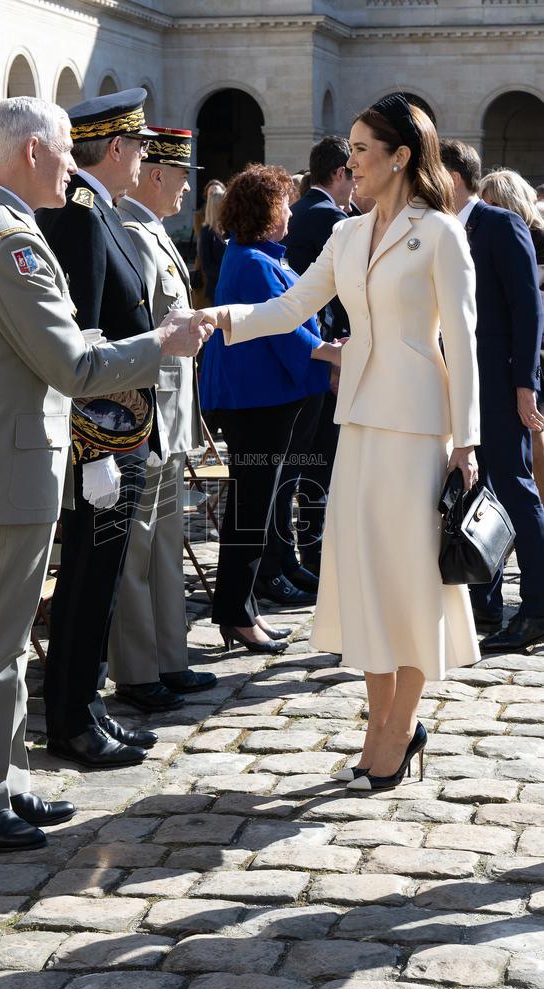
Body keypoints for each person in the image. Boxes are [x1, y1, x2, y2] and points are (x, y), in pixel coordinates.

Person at [0, 96, 205, 851]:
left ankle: (5, 780)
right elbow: (71, 367)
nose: (74, 165)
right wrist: (162, 343)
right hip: (7, 464)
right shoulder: (10, 241)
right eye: (67, 151)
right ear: (33, 152)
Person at [194, 95, 481, 791]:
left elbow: (465, 341)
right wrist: (215, 318)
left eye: (360, 150)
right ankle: (381, 721)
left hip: (419, 428)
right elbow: (292, 307)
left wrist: (466, 443)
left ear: (400, 156)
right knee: (368, 580)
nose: (349, 163)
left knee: (411, 581)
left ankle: (397, 724)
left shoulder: (439, 233)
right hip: (358, 423)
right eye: (349, 151)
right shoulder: (348, 236)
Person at [36, 89, 172, 766]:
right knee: (91, 578)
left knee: (104, 577)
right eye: (141, 146)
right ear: (115, 148)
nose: (145, 157)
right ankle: (72, 718)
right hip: (107, 438)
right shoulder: (83, 218)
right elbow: (84, 338)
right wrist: (97, 452)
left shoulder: (102, 213)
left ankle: (87, 705)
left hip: (124, 430)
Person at [198, 164, 330, 655]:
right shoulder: (252, 260)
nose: (291, 212)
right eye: (284, 204)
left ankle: (241, 609)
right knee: (251, 508)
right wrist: (326, 354)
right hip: (258, 399)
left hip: (265, 396)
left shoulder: (259, 255)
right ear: (265, 211)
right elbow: (282, 328)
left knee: (254, 504)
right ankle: (237, 611)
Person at [110, 127, 215, 711]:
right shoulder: (131, 231)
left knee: (166, 544)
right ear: (155, 175)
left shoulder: (153, 230)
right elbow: (139, 335)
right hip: (145, 416)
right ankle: (138, 669)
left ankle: (171, 659)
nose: (186, 188)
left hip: (172, 418)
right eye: (180, 176)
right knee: (137, 550)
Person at [440, 142, 544, 653]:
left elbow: (529, 310)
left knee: (514, 487)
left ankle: (538, 606)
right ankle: (484, 597)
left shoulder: (501, 225)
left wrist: (526, 385)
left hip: (501, 386)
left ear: (455, 178)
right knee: (474, 489)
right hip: (457, 382)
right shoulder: (441, 229)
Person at [255, 136, 354, 603]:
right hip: (313, 359)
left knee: (301, 467)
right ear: (340, 174)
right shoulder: (334, 221)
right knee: (307, 465)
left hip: (309, 357)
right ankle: (301, 554)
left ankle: (294, 557)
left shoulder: (320, 217)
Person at [478, 168, 544, 504]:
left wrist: (525, 382)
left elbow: (527, 308)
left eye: (488, 202)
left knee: (530, 452)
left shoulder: (523, 235)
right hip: (516, 355)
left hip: (528, 357)